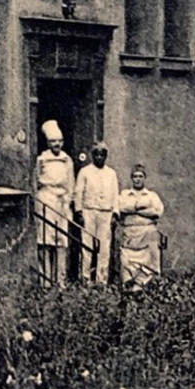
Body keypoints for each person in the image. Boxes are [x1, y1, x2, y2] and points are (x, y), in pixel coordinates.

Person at [34, 120, 76, 286]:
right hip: (46, 198)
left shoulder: (67, 160)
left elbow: (71, 183)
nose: (56, 144)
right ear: (48, 143)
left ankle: (61, 280)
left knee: (61, 242)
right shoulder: (42, 160)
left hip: (62, 201)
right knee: (45, 241)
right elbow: (36, 181)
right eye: (53, 141)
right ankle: (45, 281)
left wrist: (68, 201)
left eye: (59, 141)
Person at [73, 142, 119, 284]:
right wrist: (79, 211)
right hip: (89, 211)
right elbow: (78, 192)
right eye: (96, 154)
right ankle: (85, 278)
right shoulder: (85, 171)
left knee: (104, 247)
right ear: (92, 156)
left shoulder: (111, 173)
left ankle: (101, 280)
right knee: (87, 245)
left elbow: (115, 194)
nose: (99, 157)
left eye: (102, 154)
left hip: (106, 212)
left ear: (106, 156)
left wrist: (115, 214)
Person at [116, 164, 164, 290]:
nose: (138, 179)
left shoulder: (151, 195)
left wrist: (134, 210)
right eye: (135, 176)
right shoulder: (125, 194)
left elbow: (157, 212)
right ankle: (129, 286)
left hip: (147, 233)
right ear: (132, 178)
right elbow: (120, 207)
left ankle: (142, 285)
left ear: (144, 178)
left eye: (140, 176)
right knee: (127, 262)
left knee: (149, 258)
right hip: (130, 234)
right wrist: (141, 208)